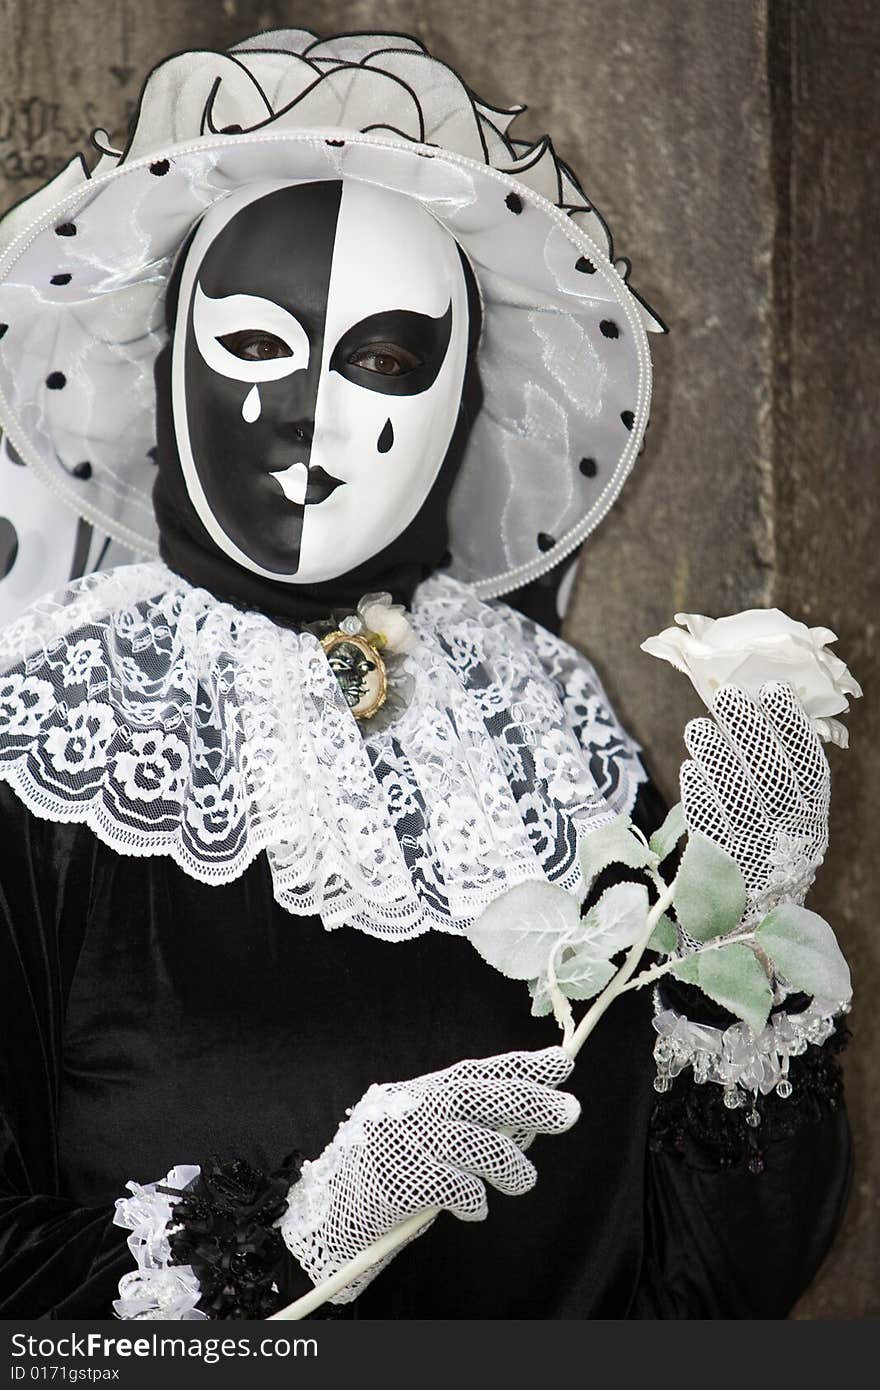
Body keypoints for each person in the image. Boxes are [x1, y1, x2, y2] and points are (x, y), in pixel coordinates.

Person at [0, 29, 851, 1320]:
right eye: (254, 347)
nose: (311, 418)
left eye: (384, 361)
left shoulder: (546, 734)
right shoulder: (49, 738)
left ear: (462, 402)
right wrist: (279, 1245)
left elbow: (706, 1290)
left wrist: (740, 944)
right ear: (168, 367)